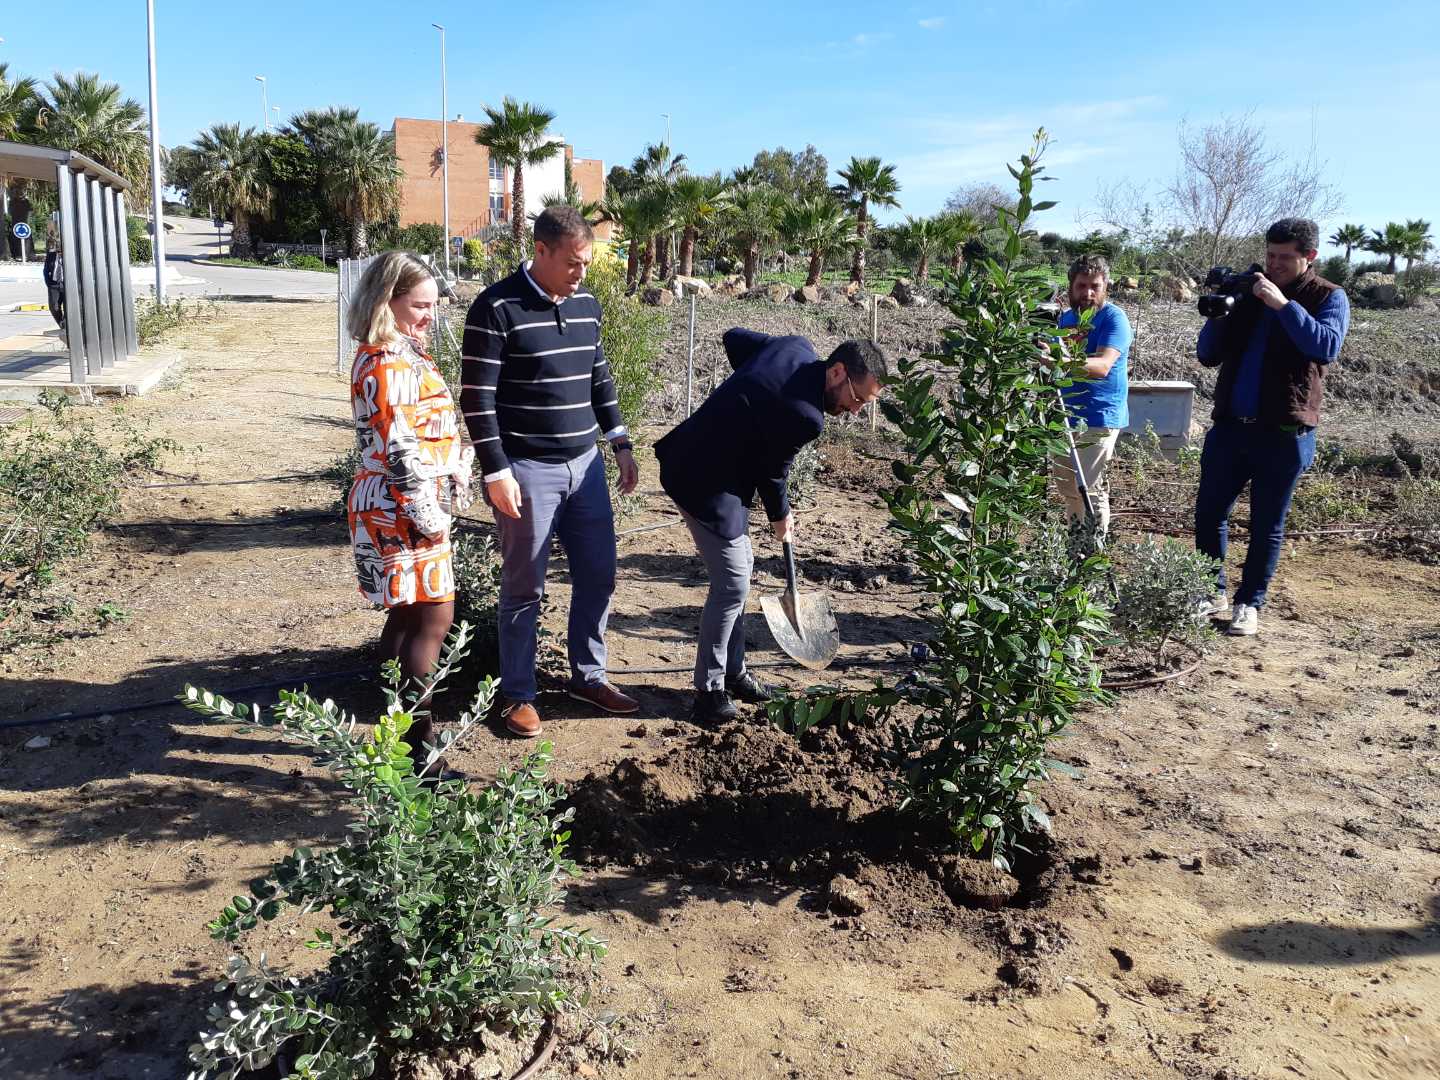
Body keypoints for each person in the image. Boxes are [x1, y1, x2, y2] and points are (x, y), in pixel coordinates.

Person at [459, 206, 639, 738]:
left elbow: (599, 379)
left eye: (586, 263)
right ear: (540, 251)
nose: (581, 272)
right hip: (526, 469)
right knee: (523, 586)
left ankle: (588, 675)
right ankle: (518, 693)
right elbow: (478, 399)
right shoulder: (496, 307)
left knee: (599, 573)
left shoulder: (587, 305)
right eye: (573, 262)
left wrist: (621, 442)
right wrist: (496, 471)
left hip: (585, 467)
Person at [655, 330, 888, 723]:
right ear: (836, 372)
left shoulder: (794, 347)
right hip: (699, 476)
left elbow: (734, 339)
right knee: (732, 581)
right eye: (858, 398)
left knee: (741, 572)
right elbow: (773, 475)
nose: (855, 411)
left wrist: (749, 396)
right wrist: (782, 518)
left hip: (722, 472)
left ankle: (734, 672)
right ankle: (708, 693)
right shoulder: (806, 416)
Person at [346, 251, 473, 774]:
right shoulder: (389, 361)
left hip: (396, 502)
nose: (430, 316)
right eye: (420, 305)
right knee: (433, 619)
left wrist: (454, 463)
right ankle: (421, 752)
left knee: (405, 619)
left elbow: (418, 433)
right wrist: (431, 514)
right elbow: (400, 448)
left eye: (433, 306)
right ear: (387, 300)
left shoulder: (391, 351)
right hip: (403, 507)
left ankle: (398, 742)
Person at [1193, 217, 1349, 637]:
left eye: (1285, 257)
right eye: (1270, 255)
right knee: (1209, 514)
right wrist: (1224, 305)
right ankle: (1211, 592)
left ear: (1309, 257)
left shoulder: (1328, 296)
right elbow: (1207, 353)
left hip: (1284, 433)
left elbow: (1326, 346)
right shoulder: (1247, 292)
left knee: (1267, 525)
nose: (1274, 264)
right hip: (1230, 428)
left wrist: (1282, 304)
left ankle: (1249, 603)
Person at [1050, 254, 1132, 537]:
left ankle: (1092, 561)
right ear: (1070, 287)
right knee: (1069, 489)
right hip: (1063, 414)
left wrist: (1059, 361)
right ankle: (1076, 554)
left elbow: (1103, 366)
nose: (1088, 293)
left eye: (1095, 286)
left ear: (1105, 287)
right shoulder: (1063, 320)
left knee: (1090, 487)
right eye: (1082, 285)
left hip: (1099, 415)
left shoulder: (1113, 318)